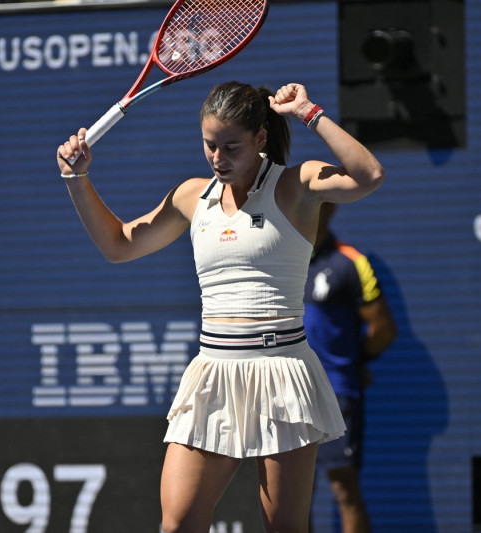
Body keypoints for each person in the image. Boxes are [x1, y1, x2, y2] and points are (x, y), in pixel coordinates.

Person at [56, 81, 384, 533]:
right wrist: (77, 179)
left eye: (231, 146)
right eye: (210, 145)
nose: (217, 157)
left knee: (286, 527)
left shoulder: (295, 184)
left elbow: (369, 175)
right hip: (213, 372)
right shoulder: (192, 196)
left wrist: (309, 112)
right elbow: (118, 246)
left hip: (281, 371)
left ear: (261, 138)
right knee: (178, 523)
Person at [304, 203, 397, 533]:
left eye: (316, 203)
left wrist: (354, 364)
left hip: (336, 393)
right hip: (286, 395)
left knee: (344, 489)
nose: (306, 210)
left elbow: (383, 329)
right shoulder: (278, 259)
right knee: (293, 495)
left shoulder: (352, 263)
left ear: (330, 209)